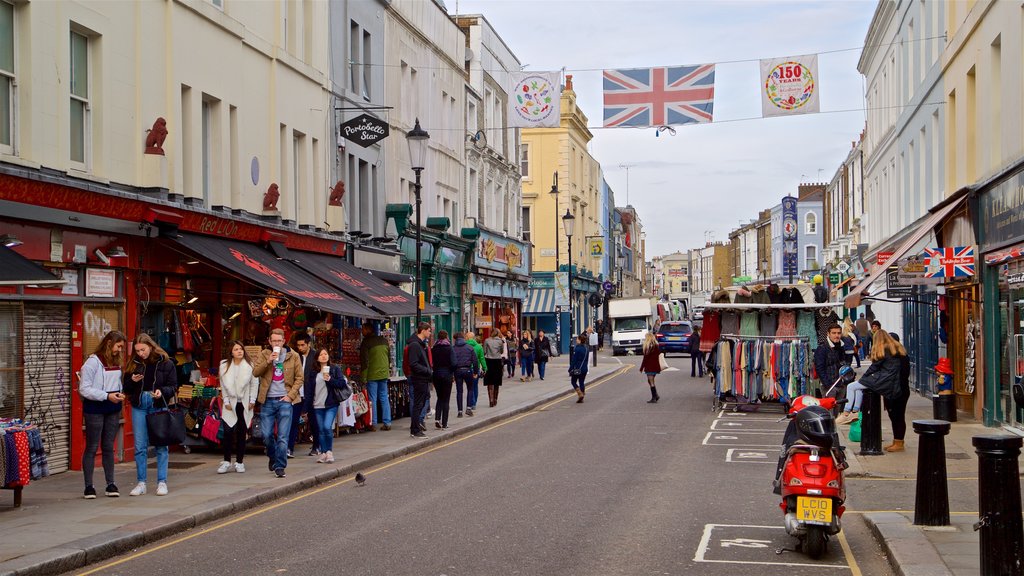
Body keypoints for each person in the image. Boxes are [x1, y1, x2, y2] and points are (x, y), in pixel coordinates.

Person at [123, 333, 177, 496]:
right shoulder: (133, 364)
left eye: (143, 350)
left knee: (161, 445)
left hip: (158, 405)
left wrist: (162, 392)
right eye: (138, 351)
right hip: (139, 405)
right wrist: (132, 380)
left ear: (151, 346)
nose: (141, 353)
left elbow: (173, 386)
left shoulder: (165, 363)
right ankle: (141, 483)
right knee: (140, 447)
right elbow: (125, 389)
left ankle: (162, 482)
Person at [79, 330, 128, 499]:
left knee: (108, 446)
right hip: (95, 408)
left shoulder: (115, 361)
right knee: (92, 447)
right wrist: (106, 396)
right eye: (118, 346)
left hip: (113, 408)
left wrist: (120, 394)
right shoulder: (92, 362)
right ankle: (89, 486)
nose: (120, 350)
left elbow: (114, 382)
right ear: (109, 343)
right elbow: (84, 389)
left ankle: (110, 484)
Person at [253, 328, 304, 478]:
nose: (276, 343)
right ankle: (273, 456)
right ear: (269, 341)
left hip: (284, 400)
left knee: (282, 436)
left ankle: (280, 466)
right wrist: (268, 362)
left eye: (279, 341)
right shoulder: (263, 354)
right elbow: (255, 372)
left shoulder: (293, 356)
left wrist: (290, 396)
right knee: (267, 435)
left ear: (283, 341)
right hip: (267, 400)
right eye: (273, 341)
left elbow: (299, 378)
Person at [836, 329, 906, 425]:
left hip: (882, 380)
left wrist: (864, 378)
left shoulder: (883, 349)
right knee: (859, 388)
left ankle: (846, 413)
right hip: (889, 380)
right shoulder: (895, 349)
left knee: (851, 386)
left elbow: (874, 367)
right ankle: (855, 412)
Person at [217, 341, 258, 474]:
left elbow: (254, 383)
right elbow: (223, 385)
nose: (239, 351)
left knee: (241, 432)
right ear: (231, 352)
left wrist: (252, 399)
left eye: (241, 349)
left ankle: (239, 462)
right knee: (228, 432)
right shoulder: (224, 366)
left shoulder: (250, 365)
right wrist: (226, 400)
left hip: (244, 403)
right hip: (230, 404)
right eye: (236, 349)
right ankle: (226, 461)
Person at [306, 347, 346, 463]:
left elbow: (342, 383)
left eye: (325, 354)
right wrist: (307, 407)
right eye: (321, 354)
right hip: (317, 405)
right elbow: (309, 390)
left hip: (331, 404)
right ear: (317, 358)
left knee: (327, 427)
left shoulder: (334, 369)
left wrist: (330, 379)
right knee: (320, 430)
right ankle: (323, 452)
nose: (324, 356)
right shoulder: (313, 373)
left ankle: (329, 451)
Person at [286, 333, 317, 457]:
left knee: (314, 422)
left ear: (309, 344)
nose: (300, 347)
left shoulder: (315, 356)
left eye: (303, 345)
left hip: (312, 394)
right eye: (298, 345)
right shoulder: (295, 356)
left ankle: (316, 446)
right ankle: (289, 448)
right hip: (297, 395)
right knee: (293, 422)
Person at [360, 323, 392, 431]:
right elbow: (389, 358)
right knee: (384, 397)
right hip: (384, 374)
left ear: (368, 329)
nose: (361, 331)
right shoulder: (383, 341)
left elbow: (365, 362)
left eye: (363, 329)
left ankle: (372, 423)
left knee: (372, 399)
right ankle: (387, 422)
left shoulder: (366, 342)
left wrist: (363, 378)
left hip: (372, 374)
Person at [883, 333, 911, 452]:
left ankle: (899, 442)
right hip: (895, 390)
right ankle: (896, 440)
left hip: (898, 391)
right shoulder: (897, 355)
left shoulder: (900, 356)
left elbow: (902, 375)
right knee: (894, 416)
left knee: (898, 416)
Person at [407, 322, 433, 439]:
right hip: (419, 379)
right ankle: (415, 430)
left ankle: (415, 429)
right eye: (429, 330)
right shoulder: (415, 345)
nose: (430, 333)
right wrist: (427, 371)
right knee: (418, 405)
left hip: (423, 378)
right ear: (423, 331)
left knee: (420, 404)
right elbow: (413, 364)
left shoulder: (420, 344)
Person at [431, 330, 456, 430]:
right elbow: (454, 363)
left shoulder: (434, 348)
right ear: (446, 337)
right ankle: (445, 423)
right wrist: (451, 371)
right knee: (446, 399)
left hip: (436, 374)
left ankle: (437, 419)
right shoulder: (449, 348)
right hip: (447, 374)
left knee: (439, 397)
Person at [814, 324, 848, 399]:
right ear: (828, 334)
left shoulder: (841, 347)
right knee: (829, 410)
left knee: (839, 410)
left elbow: (844, 364)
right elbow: (819, 368)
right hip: (829, 387)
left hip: (841, 386)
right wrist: (828, 385)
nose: (837, 335)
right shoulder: (822, 348)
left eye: (839, 333)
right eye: (834, 333)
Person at [452, 332, 480, 419]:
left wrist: (452, 373)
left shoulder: (453, 348)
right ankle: (468, 408)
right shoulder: (469, 347)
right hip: (468, 370)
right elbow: (475, 361)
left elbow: (451, 362)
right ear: (464, 338)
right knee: (470, 389)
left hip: (457, 371)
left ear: (455, 339)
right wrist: (475, 372)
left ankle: (459, 411)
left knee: (459, 391)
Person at [464, 331, 486, 416]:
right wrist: (485, 368)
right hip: (475, 369)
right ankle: (474, 403)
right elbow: (481, 358)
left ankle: (471, 402)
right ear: (474, 338)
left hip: (467, 369)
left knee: (469, 387)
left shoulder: (465, 346)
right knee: (475, 386)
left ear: (466, 338)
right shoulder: (478, 347)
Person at [483, 331, 506, 407]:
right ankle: (495, 399)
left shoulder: (486, 340)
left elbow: (484, 351)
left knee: (489, 382)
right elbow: (502, 351)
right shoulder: (500, 341)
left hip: (489, 361)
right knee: (497, 381)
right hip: (497, 361)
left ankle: (491, 400)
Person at [639, 332, 662, 403]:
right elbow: (659, 353)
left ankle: (654, 398)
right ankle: (656, 395)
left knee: (651, 382)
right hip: (655, 366)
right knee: (650, 381)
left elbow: (645, 358)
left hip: (649, 367)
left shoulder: (648, 347)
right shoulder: (656, 345)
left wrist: (641, 367)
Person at [569, 333, 590, 402]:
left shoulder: (577, 349)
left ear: (580, 340)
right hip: (584, 368)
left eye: (577, 339)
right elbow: (587, 359)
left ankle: (580, 394)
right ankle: (582, 396)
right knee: (581, 382)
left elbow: (574, 360)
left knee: (573, 381)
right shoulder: (586, 348)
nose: (576, 340)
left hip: (578, 368)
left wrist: (570, 369)